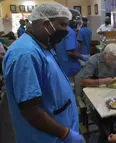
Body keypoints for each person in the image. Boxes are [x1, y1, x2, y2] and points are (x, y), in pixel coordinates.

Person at [2, 2, 84, 143]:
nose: (67, 30)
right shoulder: (25, 54)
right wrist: (65, 133)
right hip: (46, 137)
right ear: (46, 23)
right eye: (63, 25)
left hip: (61, 124)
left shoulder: (42, 46)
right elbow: (30, 110)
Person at [55, 9, 88, 77]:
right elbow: (70, 52)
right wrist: (84, 57)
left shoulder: (59, 30)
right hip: (71, 67)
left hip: (62, 66)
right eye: (76, 18)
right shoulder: (70, 32)